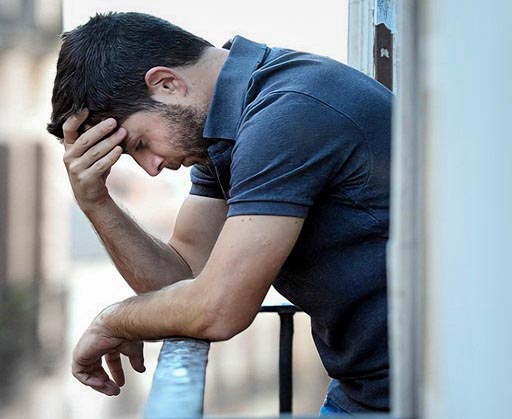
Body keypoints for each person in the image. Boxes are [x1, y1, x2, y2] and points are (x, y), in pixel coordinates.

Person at [47, 12, 391, 415]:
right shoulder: (230, 128)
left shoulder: (286, 114)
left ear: (167, 84)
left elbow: (217, 309)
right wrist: (96, 203)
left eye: (140, 143)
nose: (152, 167)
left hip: (420, 392)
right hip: (365, 390)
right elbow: (181, 280)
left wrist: (113, 319)